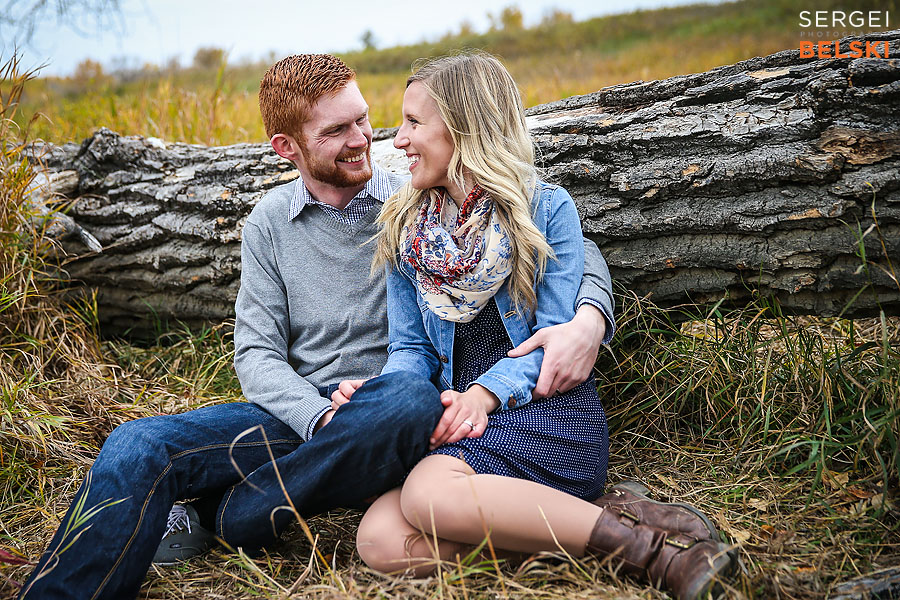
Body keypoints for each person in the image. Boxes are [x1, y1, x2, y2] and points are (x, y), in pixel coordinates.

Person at [19, 54, 615, 600]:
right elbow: (255, 354)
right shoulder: (274, 223)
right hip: (309, 416)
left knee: (403, 398)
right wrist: (318, 414)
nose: (364, 141)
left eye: (363, 120)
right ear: (287, 146)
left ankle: (231, 516)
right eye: (336, 131)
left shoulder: (407, 196)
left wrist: (590, 317)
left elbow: (555, 240)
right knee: (138, 444)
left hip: (402, 411)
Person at [345, 53, 735, 600]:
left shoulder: (545, 210)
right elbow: (411, 349)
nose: (399, 140)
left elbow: (550, 341)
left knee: (426, 499)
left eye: (413, 122)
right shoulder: (406, 232)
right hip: (461, 418)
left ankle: (657, 556)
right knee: (381, 540)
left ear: (464, 126)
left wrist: (484, 394)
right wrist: (387, 397)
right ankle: (603, 520)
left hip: (543, 410)